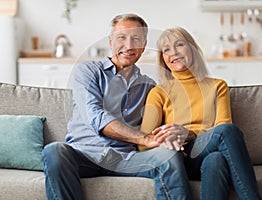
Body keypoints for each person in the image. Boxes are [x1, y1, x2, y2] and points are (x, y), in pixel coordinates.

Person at [42, 14, 193, 200]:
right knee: (54, 151)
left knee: (168, 157)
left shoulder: (150, 86)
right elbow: (96, 117)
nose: (129, 45)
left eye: (136, 39)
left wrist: (171, 138)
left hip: (126, 159)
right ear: (111, 41)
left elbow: (161, 122)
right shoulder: (88, 71)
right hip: (84, 154)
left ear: (144, 46)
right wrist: (144, 139)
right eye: (122, 37)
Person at [139, 27, 261, 200]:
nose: (173, 52)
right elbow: (143, 143)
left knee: (217, 158)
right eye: (166, 49)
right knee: (224, 137)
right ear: (163, 59)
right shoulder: (159, 92)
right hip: (178, 158)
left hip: (204, 153)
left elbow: (222, 128)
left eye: (179, 45)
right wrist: (168, 144)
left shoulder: (218, 86)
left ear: (192, 49)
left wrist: (189, 133)